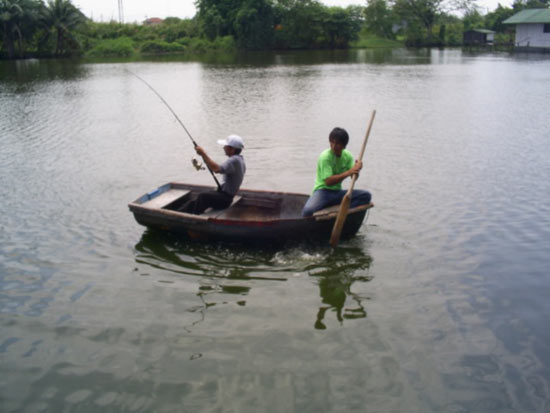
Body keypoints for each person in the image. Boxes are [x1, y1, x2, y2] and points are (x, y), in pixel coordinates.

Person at [301, 127, 371, 217]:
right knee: (307, 211)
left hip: (337, 192)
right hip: (323, 192)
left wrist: (357, 169)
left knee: (366, 196)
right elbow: (328, 182)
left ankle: (341, 211)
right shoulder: (325, 157)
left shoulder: (347, 156)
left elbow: (354, 177)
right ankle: (333, 208)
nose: (334, 146)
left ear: (344, 145)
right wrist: (349, 172)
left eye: (337, 144)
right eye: (332, 142)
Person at [181, 134, 246, 215]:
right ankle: (179, 212)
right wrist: (203, 155)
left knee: (203, 196)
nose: (223, 148)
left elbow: (216, 169)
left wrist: (203, 153)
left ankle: (192, 217)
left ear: (232, 149)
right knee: (195, 201)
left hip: (225, 200)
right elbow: (215, 167)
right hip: (224, 196)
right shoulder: (239, 159)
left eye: (225, 146)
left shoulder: (234, 160)